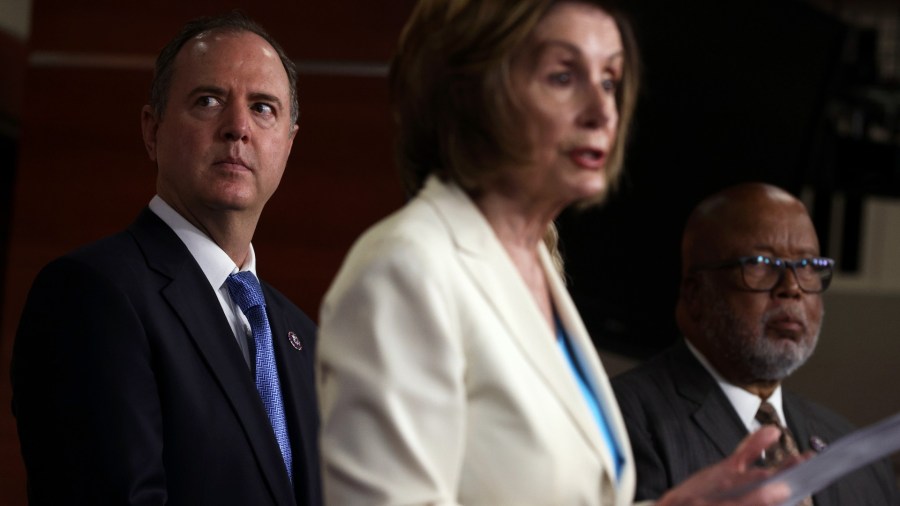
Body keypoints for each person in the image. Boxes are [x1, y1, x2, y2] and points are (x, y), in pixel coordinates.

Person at [316, 1, 799, 504]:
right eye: (564, 76)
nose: (601, 110)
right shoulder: (406, 269)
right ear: (473, 95)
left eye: (610, 80)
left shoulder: (536, 261)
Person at [11, 11, 321, 505]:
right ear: (152, 130)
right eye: (209, 100)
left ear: (287, 145)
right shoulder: (90, 294)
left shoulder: (304, 337)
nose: (238, 127)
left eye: (263, 108)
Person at [612, 182, 900, 505]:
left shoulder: (857, 455)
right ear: (695, 295)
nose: (792, 287)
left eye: (807, 266)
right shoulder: (621, 422)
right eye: (761, 264)